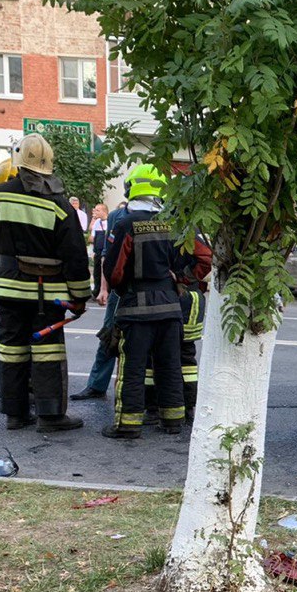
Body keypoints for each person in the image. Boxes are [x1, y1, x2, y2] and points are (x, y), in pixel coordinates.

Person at [0, 133, 91, 432]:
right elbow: (75, 257)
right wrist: (81, 297)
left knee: (11, 350)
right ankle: (50, 416)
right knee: (47, 353)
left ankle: (15, 414)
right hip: (46, 295)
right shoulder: (60, 206)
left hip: (6, 288)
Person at [100, 163, 197, 439]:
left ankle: (128, 425)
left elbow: (115, 270)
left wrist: (120, 288)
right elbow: (191, 260)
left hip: (136, 308)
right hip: (170, 307)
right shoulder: (174, 222)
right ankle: (173, 421)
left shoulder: (126, 223)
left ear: (132, 188)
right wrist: (176, 277)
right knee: (169, 365)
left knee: (133, 367)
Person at [71, 196, 141, 402]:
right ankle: (96, 385)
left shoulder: (159, 215)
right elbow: (106, 255)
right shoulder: (117, 217)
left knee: (143, 340)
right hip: (120, 289)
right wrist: (104, 288)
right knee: (109, 335)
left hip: (143, 288)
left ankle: (145, 393)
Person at [89, 203, 109, 297]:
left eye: (98, 210)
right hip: (98, 251)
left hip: (106, 251)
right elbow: (92, 237)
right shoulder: (97, 222)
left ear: (104, 211)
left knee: (106, 271)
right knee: (96, 272)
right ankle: (96, 290)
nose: (95, 212)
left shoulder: (109, 221)